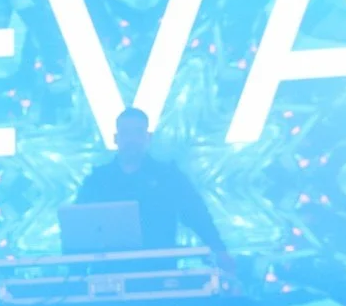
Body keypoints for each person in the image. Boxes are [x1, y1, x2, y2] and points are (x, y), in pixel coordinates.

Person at [76, 106, 231, 268]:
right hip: (110, 271)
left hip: (160, 268)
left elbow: (197, 215)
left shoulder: (169, 177)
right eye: (125, 133)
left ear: (148, 137)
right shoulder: (97, 181)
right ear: (116, 138)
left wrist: (219, 250)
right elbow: (79, 227)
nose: (131, 139)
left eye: (138, 133)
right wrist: (75, 271)